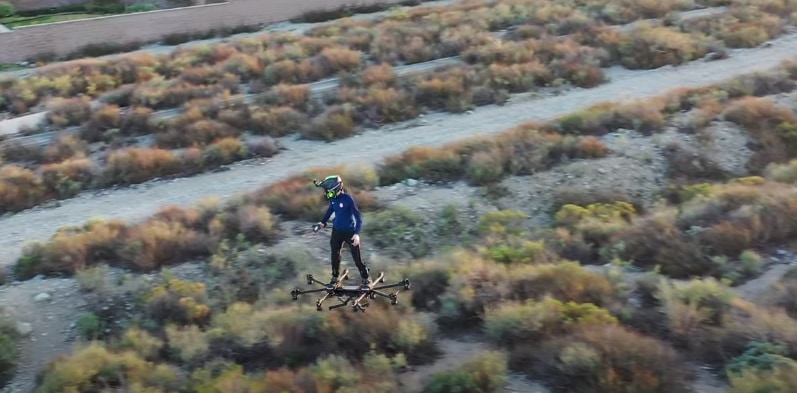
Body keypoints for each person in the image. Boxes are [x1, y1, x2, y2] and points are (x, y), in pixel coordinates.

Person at [314, 175, 371, 289]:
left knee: (357, 258)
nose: (327, 194)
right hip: (336, 232)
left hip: (350, 232)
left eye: (329, 191)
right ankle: (335, 278)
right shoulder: (333, 198)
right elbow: (330, 210)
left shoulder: (348, 199)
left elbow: (358, 218)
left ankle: (366, 278)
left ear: (336, 189)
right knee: (334, 256)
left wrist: (356, 235)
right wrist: (322, 222)